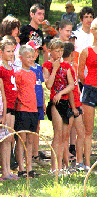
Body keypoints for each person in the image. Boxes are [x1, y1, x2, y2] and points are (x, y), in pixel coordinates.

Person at [43, 39, 74, 173]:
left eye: (61, 50)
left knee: (64, 136)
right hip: (55, 103)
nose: (60, 53)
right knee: (57, 135)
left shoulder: (66, 65)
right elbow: (48, 85)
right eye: (57, 51)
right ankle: (54, 167)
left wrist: (61, 93)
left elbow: (71, 85)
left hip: (64, 100)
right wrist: (55, 68)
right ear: (50, 51)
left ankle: (61, 166)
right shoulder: (47, 65)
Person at [14, 45, 40, 178]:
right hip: (22, 109)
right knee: (21, 140)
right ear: (21, 58)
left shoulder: (33, 74)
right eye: (27, 57)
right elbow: (16, 90)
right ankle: (21, 168)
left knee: (30, 140)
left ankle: (30, 167)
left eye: (32, 57)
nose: (30, 59)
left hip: (33, 110)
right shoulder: (18, 73)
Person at [62, 42, 85, 170]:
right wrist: (74, 107)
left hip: (76, 104)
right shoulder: (65, 67)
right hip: (70, 105)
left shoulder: (72, 66)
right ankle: (66, 165)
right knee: (65, 136)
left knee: (80, 132)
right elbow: (69, 89)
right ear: (72, 54)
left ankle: (79, 162)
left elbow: (76, 88)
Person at [78, 18, 97, 170]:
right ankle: (87, 163)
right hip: (90, 89)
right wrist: (88, 84)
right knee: (88, 129)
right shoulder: (86, 51)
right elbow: (80, 74)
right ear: (92, 30)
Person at [0, 39, 18, 169]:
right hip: (5, 106)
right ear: (1, 52)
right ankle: (3, 168)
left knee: (10, 138)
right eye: (8, 51)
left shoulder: (11, 67)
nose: (11, 54)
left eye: (12, 51)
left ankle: (7, 167)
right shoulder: (0, 68)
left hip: (13, 105)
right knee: (5, 138)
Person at [28, 41, 47, 163]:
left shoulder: (39, 68)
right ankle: (28, 154)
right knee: (29, 129)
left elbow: (41, 87)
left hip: (39, 102)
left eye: (36, 51)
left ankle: (35, 154)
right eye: (32, 51)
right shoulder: (25, 68)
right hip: (29, 103)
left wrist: (44, 102)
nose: (35, 53)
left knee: (37, 128)